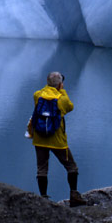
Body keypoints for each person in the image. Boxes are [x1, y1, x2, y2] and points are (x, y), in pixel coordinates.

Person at [30, 71, 87, 206]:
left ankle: (43, 198)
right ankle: (74, 195)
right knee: (72, 167)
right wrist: (63, 91)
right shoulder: (62, 99)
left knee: (42, 168)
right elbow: (70, 107)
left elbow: (43, 94)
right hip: (57, 141)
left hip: (39, 139)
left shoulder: (37, 95)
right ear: (60, 84)